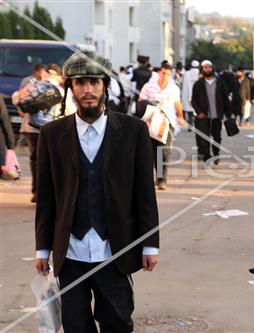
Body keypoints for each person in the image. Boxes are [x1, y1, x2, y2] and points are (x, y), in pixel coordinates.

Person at [34, 51, 159, 332]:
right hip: (71, 253)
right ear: (70, 88)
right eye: (80, 83)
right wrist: (43, 249)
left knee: (117, 322)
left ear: (105, 85)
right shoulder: (52, 134)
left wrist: (150, 243)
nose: (87, 90)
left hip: (115, 251)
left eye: (94, 82)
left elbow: (144, 194)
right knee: (75, 326)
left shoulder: (133, 131)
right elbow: (46, 198)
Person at [139, 63, 184, 190]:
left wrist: (181, 116)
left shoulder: (173, 88)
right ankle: (154, 177)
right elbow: (140, 101)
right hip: (150, 123)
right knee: (151, 151)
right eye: (163, 73)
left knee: (163, 151)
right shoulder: (148, 86)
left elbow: (177, 103)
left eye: (168, 74)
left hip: (167, 123)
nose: (165, 76)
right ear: (159, 72)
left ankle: (162, 179)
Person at [13, 63, 45, 202]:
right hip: (33, 127)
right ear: (38, 71)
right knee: (37, 159)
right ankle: (38, 191)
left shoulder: (46, 85)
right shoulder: (30, 83)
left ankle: (38, 191)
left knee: (37, 159)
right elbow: (18, 97)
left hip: (37, 128)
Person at [191, 60, 231, 165]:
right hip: (203, 117)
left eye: (209, 67)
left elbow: (225, 99)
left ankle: (216, 154)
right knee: (204, 139)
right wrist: (199, 112)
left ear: (212, 68)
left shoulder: (219, 83)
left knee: (217, 137)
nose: (207, 69)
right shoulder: (198, 84)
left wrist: (228, 114)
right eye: (205, 67)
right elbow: (194, 100)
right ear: (202, 69)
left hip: (217, 116)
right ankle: (207, 157)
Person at [181, 60, 200, 131]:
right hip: (197, 95)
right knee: (197, 111)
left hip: (187, 94)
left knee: (189, 112)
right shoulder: (200, 73)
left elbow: (183, 84)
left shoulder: (186, 73)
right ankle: (197, 125)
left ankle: (190, 126)